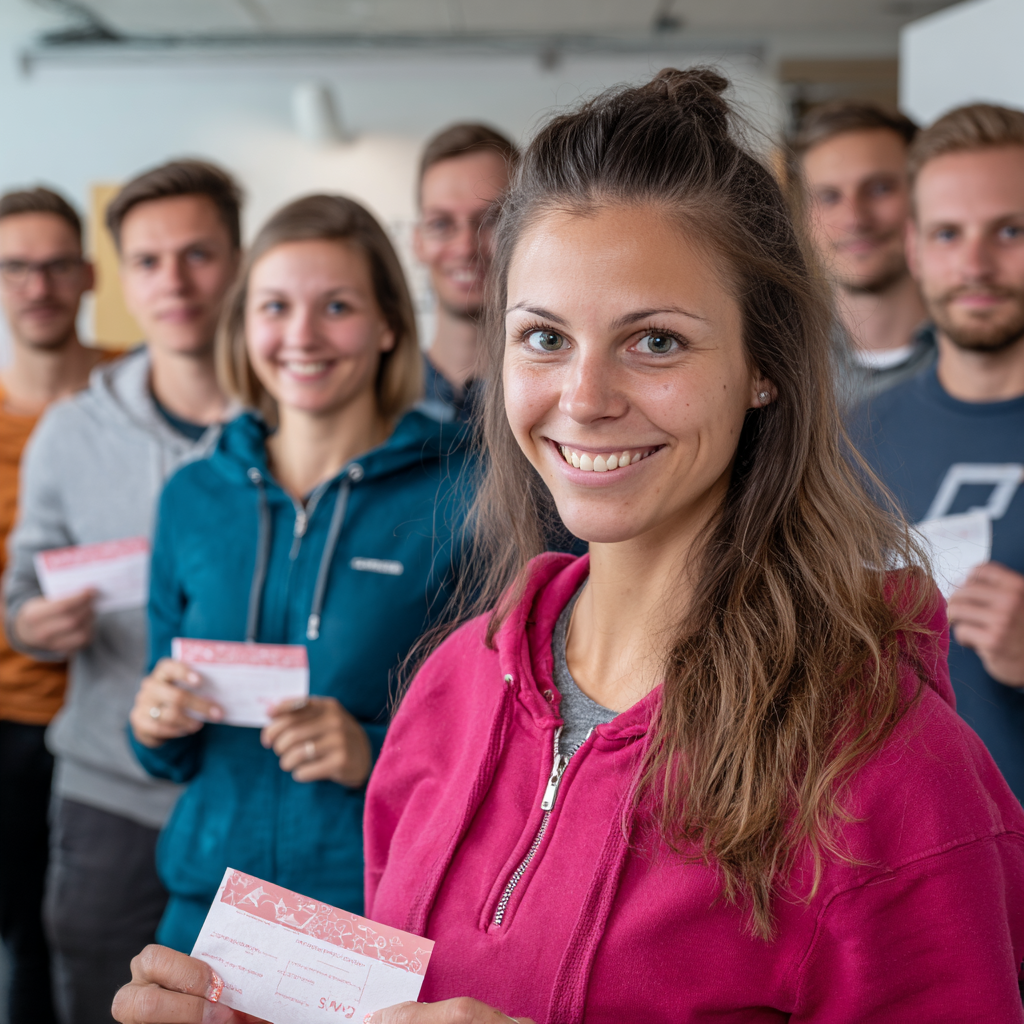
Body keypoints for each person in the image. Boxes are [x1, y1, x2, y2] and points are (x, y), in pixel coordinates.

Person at [112, 71, 1024, 1024]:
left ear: (764, 366)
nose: (584, 398)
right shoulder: (452, 689)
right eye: (544, 336)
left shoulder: (895, 773)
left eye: (657, 342)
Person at [125, 194, 470, 954]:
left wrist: (370, 753)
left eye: (337, 306)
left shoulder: (462, 494)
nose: (302, 337)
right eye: (275, 307)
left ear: (387, 324)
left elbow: (497, 742)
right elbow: (163, 745)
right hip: (207, 907)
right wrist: (152, 721)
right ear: (245, 327)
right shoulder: (193, 495)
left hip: (368, 915)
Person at [4, 159, 241, 1024]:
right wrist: (36, 621)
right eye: (148, 260)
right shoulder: (73, 428)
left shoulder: (302, 420)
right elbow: (20, 602)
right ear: (121, 279)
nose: (173, 281)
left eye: (198, 254)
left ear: (239, 259)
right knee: (98, 999)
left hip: (254, 790)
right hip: (106, 789)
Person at [849, 103, 1024, 803]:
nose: (975, 264)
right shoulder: (848, 443)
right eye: (949, 234)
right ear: (916, 248)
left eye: (1010, 231)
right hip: (906, 879)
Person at [0, 187, 106, 1024]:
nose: (37, 284)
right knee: (22, 940)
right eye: (15, 267)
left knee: (92, 944)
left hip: (121, 726)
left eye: (55, 265)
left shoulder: (137, 398)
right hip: (6, 720)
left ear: (87, 276)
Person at [793, 102, 935, 400]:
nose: (855, 219)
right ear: (805, 218)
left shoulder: (992, 355)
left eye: (880, 189)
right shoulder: (778, 367)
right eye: (829, 197)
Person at [414, 123, 517, 421]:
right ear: (417, 242)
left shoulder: (562, 399)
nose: (465, 248)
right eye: (441, 223)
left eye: (493, 219)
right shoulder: (372, 400)